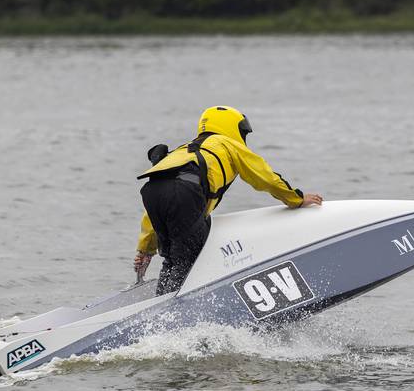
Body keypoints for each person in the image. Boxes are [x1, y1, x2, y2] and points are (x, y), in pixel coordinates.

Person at [134, 106, 323, 295]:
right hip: (184, 193)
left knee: (173, 258)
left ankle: (160, 304)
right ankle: (172, 313)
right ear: (230, 126)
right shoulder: (227, 143)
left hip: (152, 193)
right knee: (186, 258)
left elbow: (159, 202)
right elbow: (264, 177)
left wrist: (145, 250)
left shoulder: (182, 152)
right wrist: (296, 199)